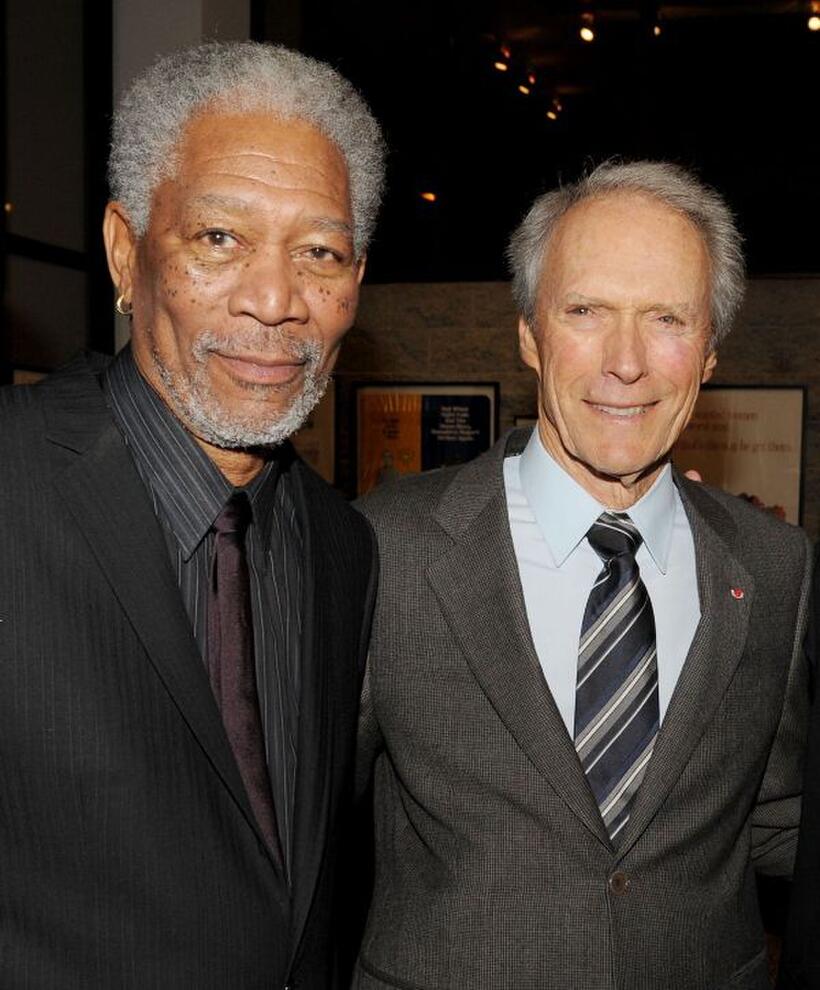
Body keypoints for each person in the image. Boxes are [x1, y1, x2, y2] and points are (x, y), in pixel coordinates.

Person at [354, 161, 811, 990]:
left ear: (709, 350)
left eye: (667, 318)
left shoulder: (776, 566)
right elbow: (297, 830)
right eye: (586, 311)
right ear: (529, 334)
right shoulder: (387, 550)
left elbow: (773, 817)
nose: (626, 362)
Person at [0, 41, 384, 988]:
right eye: (220, 238)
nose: (275, 302)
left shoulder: (345, 547)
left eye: (319, 252)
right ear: (125, 252)